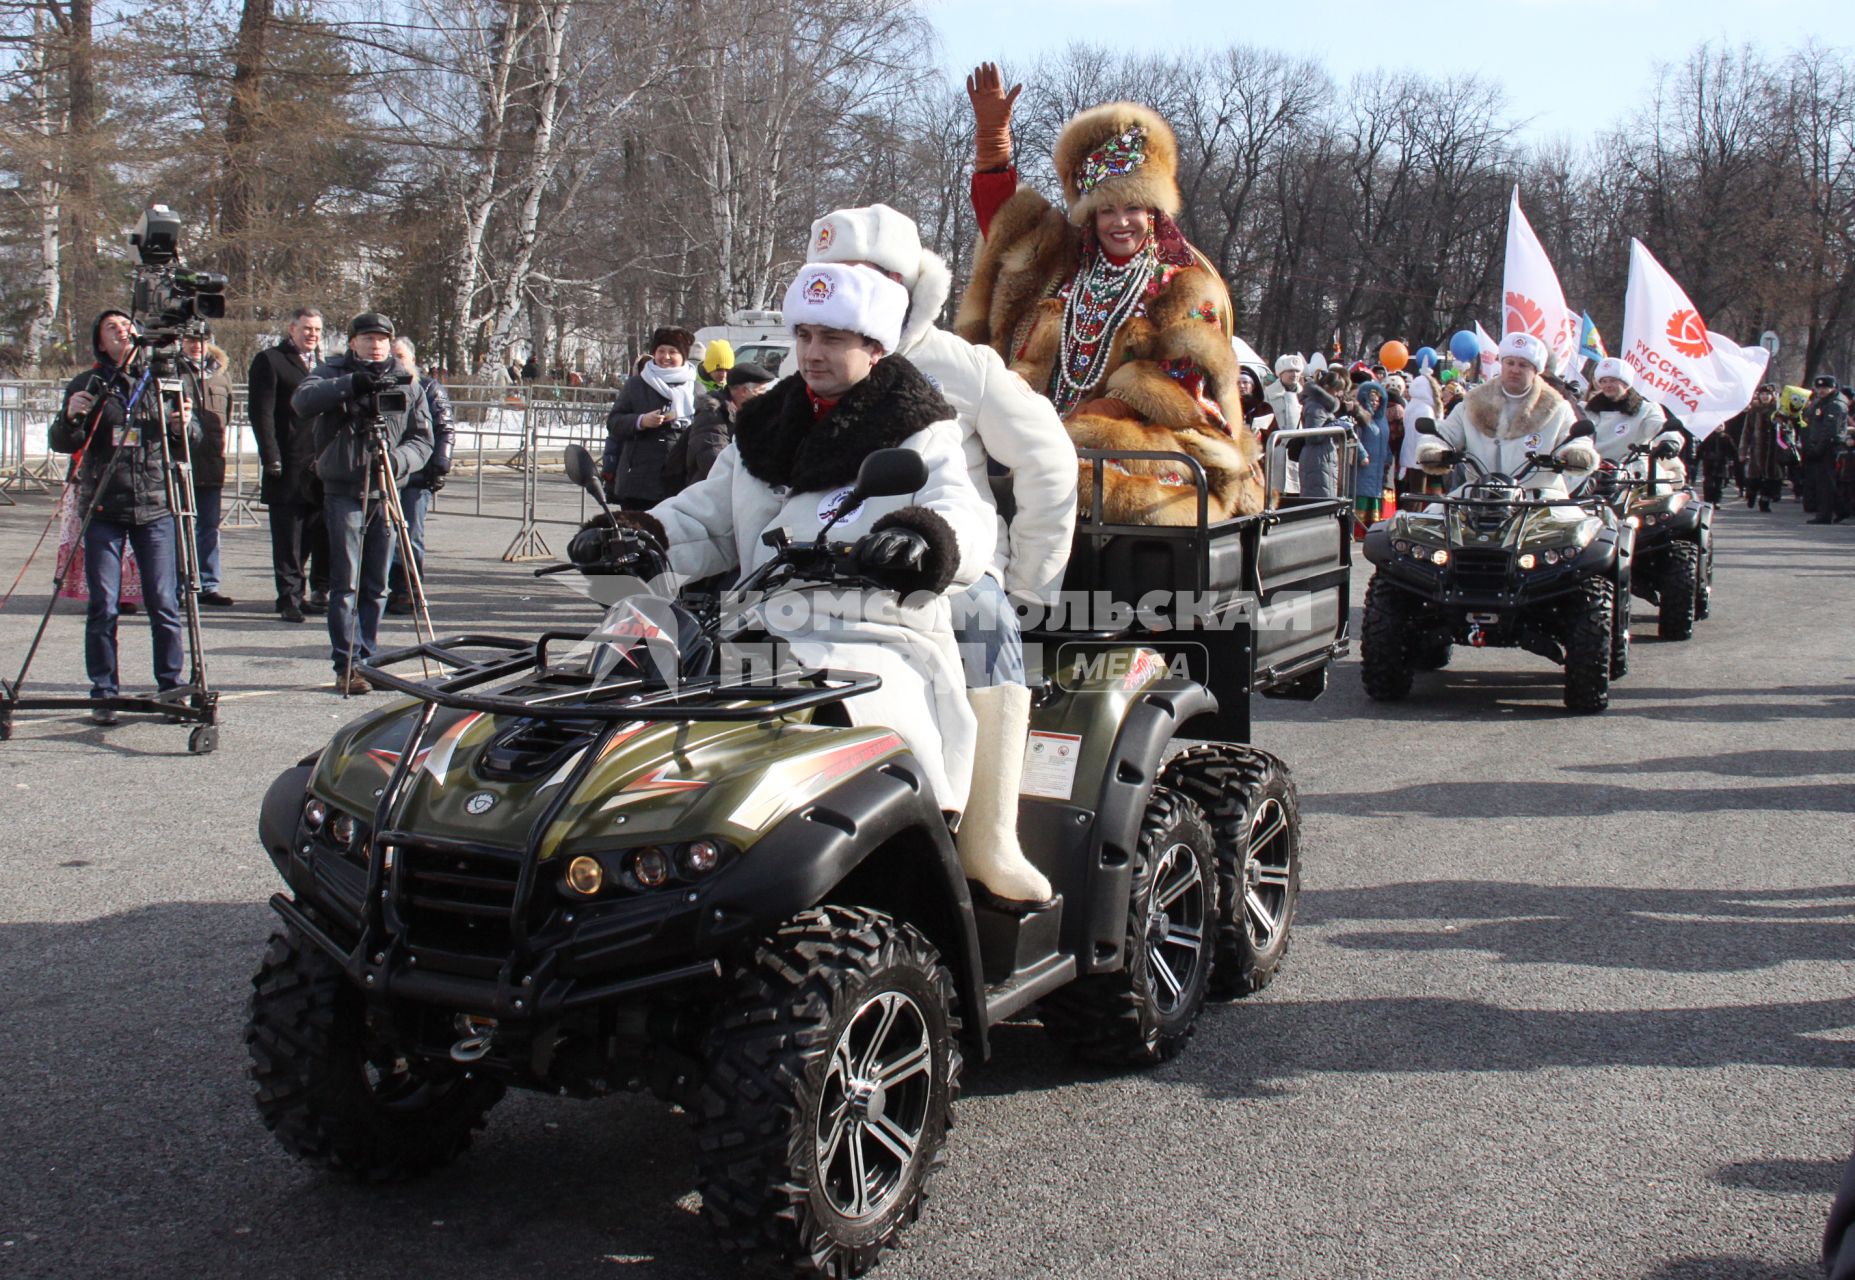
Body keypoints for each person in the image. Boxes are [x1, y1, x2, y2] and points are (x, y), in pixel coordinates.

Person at [576, 262, 1031, 905]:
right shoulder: (766, 424)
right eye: (806, 336)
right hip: (756, 616)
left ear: (874, 347)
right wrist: (640, 532)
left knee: (841, 717)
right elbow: (709, 510)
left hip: (871, 625)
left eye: (834, 339)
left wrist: (919, 538)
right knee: (640, 660)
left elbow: (963, 510)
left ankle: (933, 850)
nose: (813, 354)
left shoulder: (918, 426)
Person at [796, 201, 1079, 911]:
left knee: (983, 622)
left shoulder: (961, 367)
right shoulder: (806, 365)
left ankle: (989, 832)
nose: (856, 289)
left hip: (945, 559)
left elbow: (1047, 464)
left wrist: (1025, 584)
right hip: (828, 563)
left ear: (907, 283)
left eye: (870, 275)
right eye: (837, 276)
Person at [954, 64, 1262, 525]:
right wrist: (993, 143)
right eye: (1107, 210)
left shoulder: (1183, 284)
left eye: (1133, 207)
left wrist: (1089, 417)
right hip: (1042, 425)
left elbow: (1180, 387)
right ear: (1091, 215)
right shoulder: (1068, 265)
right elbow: (1006, 227)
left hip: (1145, 436)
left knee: (1079, 478)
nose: (1121, 222)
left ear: (1153, 212)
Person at [47, 310, 193, 724]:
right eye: (112, 328)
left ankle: (172, 687)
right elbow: (64, 442)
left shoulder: (163, 378)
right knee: (104, 606)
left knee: (164, 602)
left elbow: (192, 440)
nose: (122, 331)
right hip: (104, 506)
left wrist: (185, 424)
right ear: (100, 341)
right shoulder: (89, 382)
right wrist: (70, 416)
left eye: (127, 325)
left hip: (154, 504)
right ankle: (104, 692)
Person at [292, 313, 433, 694]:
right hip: (344, 489)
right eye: (367, 338)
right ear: (353, 342)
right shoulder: (332, 371)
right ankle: (347, 662)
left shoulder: (406, 379)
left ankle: (368, 658)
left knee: (376, 584)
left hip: (387, 488)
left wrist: (398, 462)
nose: (375, 345)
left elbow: (423, 439)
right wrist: (351, 384)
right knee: (346, 582)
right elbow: (302, 401)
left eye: (382, 339)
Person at [1417, 332, 1597, 492]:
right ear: (1501, 364)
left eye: (1523, 365)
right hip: (1478, 495)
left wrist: (1576, 453)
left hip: (1537, 499)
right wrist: (1434, 449)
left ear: (1536, 371)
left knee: (1576, 527)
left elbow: (1574, 438)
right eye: (1510, 362)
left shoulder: (1556, 407)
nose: (1515, 370)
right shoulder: (1472, 402)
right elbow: (1445, 433)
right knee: (1427, 523)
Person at [250, 307, 327, 623]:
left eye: (318, 330)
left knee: (315, 533)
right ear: (291, 328)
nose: (312, 335)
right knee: (288, 538)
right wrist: (271, 456)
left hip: (320, 465)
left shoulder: (323, 366)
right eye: (307, 328)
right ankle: (289, 597)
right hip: (287, 462)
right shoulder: (271, 360)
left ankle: (309, 592)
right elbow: (262, 413)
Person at [386, 336, 455, 615]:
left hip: (418, 474)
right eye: (392, 357)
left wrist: (440, 466)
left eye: (401, 356)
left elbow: (445, 428)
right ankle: (389, 587)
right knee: (386, 534)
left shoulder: (428, 387)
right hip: (389, 472)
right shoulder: (382, 388)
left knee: (411, 533)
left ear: (412, 359)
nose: (396, 362)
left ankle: (410, 589)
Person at [601, 326, 697, 511]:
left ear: (683, 356)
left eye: (672, 352)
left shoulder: (695, 387)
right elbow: (614, 422)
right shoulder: (637, 384)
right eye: (661, 351)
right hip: (638, 478)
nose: (666, 357)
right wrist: (641, 421)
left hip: (679, 478)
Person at [181, 328, 234, 606]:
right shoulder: (173, 371)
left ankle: (208, 582)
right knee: (178, 525)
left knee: (209, 527)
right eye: (190, 340)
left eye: (201, 340)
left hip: (212, 461)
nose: (196, 345)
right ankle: (179, 584)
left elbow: (226, 417)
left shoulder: (220, 375)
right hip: (179, 459)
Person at [661, 362, 772, 494]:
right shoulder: (712, 416)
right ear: (744, 391)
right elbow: (714, 463)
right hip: (707, 497)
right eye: (761, 391)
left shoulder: (750, 415)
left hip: (733, 491)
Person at [1585, 357, 1683, 482]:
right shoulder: (1588, 410)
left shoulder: (1645, 409)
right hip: (1593, 472)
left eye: (1613, 380)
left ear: (1625, 383)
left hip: (1631, 473)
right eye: (1603, 381)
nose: (1608, 385)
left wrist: (1670, 441)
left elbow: (1658, 426)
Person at [1295, 365, 1350, 499]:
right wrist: (1335, 426)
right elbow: (1313, 436)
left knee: (1326, 493)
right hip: (1317, 458)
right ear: (1327, 388)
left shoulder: (1323, 406)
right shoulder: (1315, 406)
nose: (1338, 394)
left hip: (1322, 456)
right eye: (1337, 390)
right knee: (1319, 496)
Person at [1730, 384, 1784, 510]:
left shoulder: (1778, 410)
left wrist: (1782, 424)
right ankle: (1751, 494)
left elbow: (1787, 429)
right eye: (1762, 394)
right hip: (1757, 449)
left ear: (1773, 396)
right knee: (1754, 477)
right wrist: (1743, 451)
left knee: (1770, 477)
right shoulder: (1754, 410)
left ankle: (1765, 502)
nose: (1765, 397)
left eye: (1768, 394)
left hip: (1773, 450)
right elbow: (1747, 431)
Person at [1802, 373, 1846, 525]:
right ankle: (1839, 510)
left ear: (1833, 388)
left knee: (1826, 484)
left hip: (1829, 448)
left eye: (1825, 388)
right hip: (1820, 447)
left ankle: (1825, 515)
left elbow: (1829, 430)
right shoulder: (1822, 403)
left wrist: (1818, 449)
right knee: (1824, 482)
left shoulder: (1835, 404)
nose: (1821, 391)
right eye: (1819, 387)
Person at [1352, 379, 1391, 536]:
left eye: (1377, 400)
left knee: (1374, 496)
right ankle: (1358, 530)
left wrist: (1388, 456)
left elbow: (1385, 439)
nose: (1375, 403)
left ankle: (1371, 529)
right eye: (1371, 400)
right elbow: (1354, 438)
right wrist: (1362, 455)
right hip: (1364, 466)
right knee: (1361, 494)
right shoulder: (1360, 417)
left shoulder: (1382, 419)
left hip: (1378, 467)